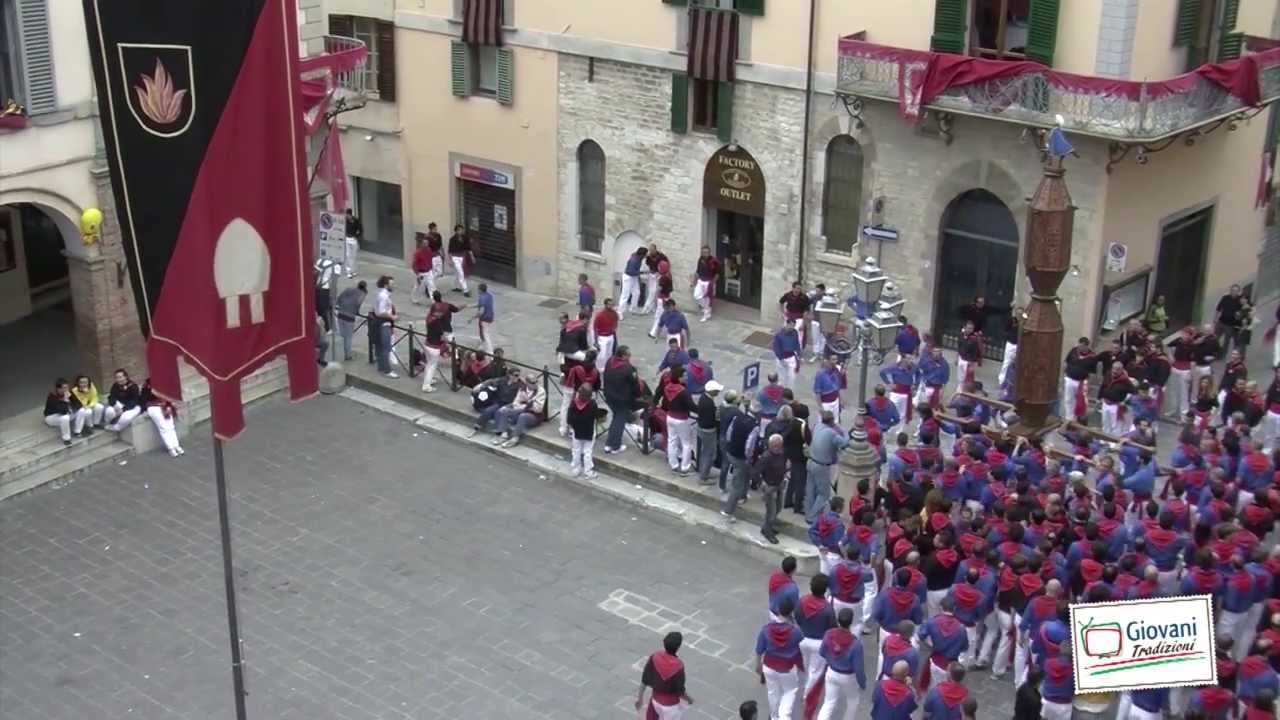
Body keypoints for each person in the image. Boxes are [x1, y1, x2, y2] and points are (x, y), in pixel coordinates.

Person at [814, 607, 867, 720]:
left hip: (831, 672)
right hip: (848, 676)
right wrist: (862, 683)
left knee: (829, 702)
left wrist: (832, 659)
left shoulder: (829, 634)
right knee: (852, 701)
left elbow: (822, 652)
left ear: (838, 620)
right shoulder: (855, 644)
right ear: (851, 622)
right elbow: (859, 668)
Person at [755, 597, 804, 720]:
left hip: (769, 667)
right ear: (791, 612)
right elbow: (800, 650)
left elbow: (759, 650)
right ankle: (784, 716)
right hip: (787, 669)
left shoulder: (766, 629)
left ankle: (774, 716)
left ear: (778, 611)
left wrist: (758, 665)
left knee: (773, 693)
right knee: (789, 692)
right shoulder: (796, 632)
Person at [635, 632, 692, 719]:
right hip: (671, 707)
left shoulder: (655, 656)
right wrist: (689, 699)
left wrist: (640, 698)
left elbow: (644, 680)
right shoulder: (679, 666)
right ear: (678, 647)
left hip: (655, 701)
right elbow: (680, 690)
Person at [721, 402, 761, 521]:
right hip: (741, 457)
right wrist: (748, 459)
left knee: (744, 476)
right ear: (758, 414)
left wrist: (730, 446)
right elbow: (749, 446)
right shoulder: (754, 426)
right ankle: (728, 511)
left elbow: (729, 433)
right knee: (737, 485)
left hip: (731, 452)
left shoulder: (737, 417)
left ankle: (743, 496)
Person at [807, 411, 848, 523]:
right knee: (824, 494)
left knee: (811, 489)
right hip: (821, 465)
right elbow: (844, 443)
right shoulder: (831, 433)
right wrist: (845, 431)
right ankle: (812, 517)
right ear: (831, 421)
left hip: (811, 461)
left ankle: (808, 512)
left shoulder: (817, 426)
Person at [603, 346, 643, 454]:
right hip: (622, 399)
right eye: (628, 355)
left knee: (616, 418)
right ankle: (615, 446)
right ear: (623, 356)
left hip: (609, 395)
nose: (630, 357)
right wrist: (639, 395)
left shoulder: (609, 361)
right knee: (620, 420)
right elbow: (635, 386)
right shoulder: (628, 369)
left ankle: (609, 444)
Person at [660, 366, 696, 475]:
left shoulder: (667, 388)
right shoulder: (683, 391)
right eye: (684, 376)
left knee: (672, 441)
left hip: (670, 417)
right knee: (686, 444)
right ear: (679, 378)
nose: (686, 377)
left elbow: (665, 402)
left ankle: (674, 464)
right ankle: (685, 468)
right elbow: (692, 406)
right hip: (681, 419)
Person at [492, 374, 546, 448]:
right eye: (533, 383)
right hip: (522, 410)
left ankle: (515, 438)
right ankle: (503, 434)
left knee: (522, 416)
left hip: (535, 415)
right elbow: (516, 402)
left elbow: (538, 409)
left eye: (536, 382)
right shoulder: (522, 389)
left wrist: (527, 405)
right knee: (504, 411)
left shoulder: (541, 391)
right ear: (527, 383)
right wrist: (525, 405)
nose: (535, 384)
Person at [754, 434, 789, 543]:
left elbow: (783, 465)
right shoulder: (766, 457)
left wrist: (785, 476)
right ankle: (768, 532)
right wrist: (761, 483)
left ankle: (766, 527)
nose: (778, 448)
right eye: (775, 446)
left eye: (779, 446)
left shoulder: (782, 453)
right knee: (771, 511)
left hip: (779, 484)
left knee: (778, 508)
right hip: (769, 487)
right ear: (770, 445)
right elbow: (756, 472)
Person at [566, 384, 604, 479]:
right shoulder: (592, 404)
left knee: (576, 450)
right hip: (589, 430)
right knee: (588, 451)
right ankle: (588, 471)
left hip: (577, 430)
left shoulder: (574, 403)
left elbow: (569, 417)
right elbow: (596, 415)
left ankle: (576, 468)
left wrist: (571, 426)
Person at [558, 350, 599, 437]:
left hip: (576, 393)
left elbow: (570, 381)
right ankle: (588, 431)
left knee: (567, 408)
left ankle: (565, 428)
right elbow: (597, 386)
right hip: (589, 395)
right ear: (594, 360)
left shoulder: (577, 368)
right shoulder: (595, 372)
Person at [141, 378, 184, 457]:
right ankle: (170, 448)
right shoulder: (147, 386)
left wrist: (169, 404)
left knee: (171, 426)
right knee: (163, 427)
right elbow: (145, 399)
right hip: (153, 407)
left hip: (165, 405)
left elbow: (169, 397)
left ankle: (176, 445)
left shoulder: (163, 384)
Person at [1063, 337, 1097, 420]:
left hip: (1081, 382)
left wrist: (1089, 384)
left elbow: (1092, 373)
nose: (1079, 348)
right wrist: (1063, 375)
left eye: (1081, 346)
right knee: (1068, 399)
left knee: (1079, 401)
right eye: (1078, 345)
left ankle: (1077, 418)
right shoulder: (1074, 350)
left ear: (1086, 346)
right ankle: (1068, 417)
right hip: (1069, 378)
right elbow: (1065, 362)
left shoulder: (1092, 357)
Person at [695, 381, 723, 485]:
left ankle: (705, 472)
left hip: (702, 428)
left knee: (705, 452)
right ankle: (703, 477)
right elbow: (711, 419)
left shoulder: (703, 398)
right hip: (709, 431)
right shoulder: (709, 403)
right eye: (716, 391)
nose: (718, 392)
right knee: (709, 453)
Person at [371, 275, 398, 378]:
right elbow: (381, 312)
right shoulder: (384, 296)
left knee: (380, 346)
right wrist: (392, 316)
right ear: (386, 285)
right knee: (386, 347)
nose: (393, 286)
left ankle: (381, 366)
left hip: (378, 322)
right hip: (384, 323)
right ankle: (387, 370)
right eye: (392, 284)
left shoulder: (380, 294)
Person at [334, 280, 367, 362]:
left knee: (341, 335)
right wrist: (356, 312)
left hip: (340, 314)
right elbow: (358, 304)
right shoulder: (362, 294)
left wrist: (340, 306)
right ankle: (347, 355)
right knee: (348, 337)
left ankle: (339, 353)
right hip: (350, 317)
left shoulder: (349, 289)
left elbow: (339, 298)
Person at [44, 378, 83, 445]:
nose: (67, 389)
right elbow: (62, 411)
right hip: (52, 417)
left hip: (66, 413)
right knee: (65, 417)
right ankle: (66, 438)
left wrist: (72, 399)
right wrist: (65, 401)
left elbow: (79, 404)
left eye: (67, 387)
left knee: (82, 411)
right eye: (64, 388)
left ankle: (77, 431)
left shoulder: (69, 393)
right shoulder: (53, 396)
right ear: (58, 389)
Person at [914, 346, 950, 415]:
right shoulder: (926, 361)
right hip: (926, 385)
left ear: (941, 355)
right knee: (924, 405)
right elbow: (918, 370)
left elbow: (946, 378)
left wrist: (943, 390)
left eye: (938, 354)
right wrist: (918, 383)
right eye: (934, 353)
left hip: (937, 387)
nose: (935, 355)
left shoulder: (945, 365)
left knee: (934, 406)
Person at [1215, 284, 1246, 354]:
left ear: (1238, 292)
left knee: (1226, 341)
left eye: (1236, 291)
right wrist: (1215, 319)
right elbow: (1218, 309)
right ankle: (1214, 351)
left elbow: (1244, 311)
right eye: (1232, 290)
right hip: (1221, 322)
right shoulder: (1225, 298)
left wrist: (1240, 317)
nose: (1234, 292)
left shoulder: (1240, 301)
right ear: (1230, 290)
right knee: (1215, 338)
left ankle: (1222, 354)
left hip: (1230, 325)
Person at [619, 246, 648, 317]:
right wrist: (642, 273)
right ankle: (619, 312)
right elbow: (631, 271)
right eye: (645, 254)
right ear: (642, 254)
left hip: (634, 277)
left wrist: (638, 275)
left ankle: (633, 309)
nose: (646, 256)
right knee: (625, 295)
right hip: (628, 277)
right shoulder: (634, 260)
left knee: (636, 293)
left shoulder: (639, 258)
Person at [693, 245, 719, 322]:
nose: (705, 254)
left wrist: (713, 283)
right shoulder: (700, 259)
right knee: (696, 295)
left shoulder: (714, 261)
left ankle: (706, 315)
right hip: (700, 281)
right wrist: (694, 280)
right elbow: (698, 271)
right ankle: (706, 310)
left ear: (709, 252)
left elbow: (717, 273)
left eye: (707, 252)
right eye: (703, 252)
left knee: (707, 299)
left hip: (709, 282)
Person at [593, 298, 619, 373]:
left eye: (612, 304)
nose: (611, 306)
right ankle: (598, 368)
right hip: (602, 337)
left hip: (610, 336)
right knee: (602, 354)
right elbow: (595, 328)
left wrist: (613, 329)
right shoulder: (600, 315)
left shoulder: (614, 313)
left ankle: (607, 367)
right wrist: (596, 341)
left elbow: (616, 322)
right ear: (606, 305)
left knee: (609, 353)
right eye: (609, 304)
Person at [447, 223, 473, 296]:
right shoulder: (452, 239)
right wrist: (450, 260)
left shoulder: (465, 238)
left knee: (457, 273)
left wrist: (472, 256)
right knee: (461, 273)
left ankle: (455, 286)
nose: (461, 231)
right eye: (459, 230)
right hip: (455, 258)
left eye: (462, 230)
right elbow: (450, 251)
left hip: (463, 256)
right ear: (456, 231)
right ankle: (465, 290)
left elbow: (468, 248)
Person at [773, 323, 802, 389]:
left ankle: (789, 392)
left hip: (791, 358)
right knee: (781, 377)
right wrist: (781, 359)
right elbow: (776, 348)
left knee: (792, 377)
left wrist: (799, 355)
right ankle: (780, 392)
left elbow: (797, 344)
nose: (792, 328)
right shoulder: (779, 334)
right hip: (782, 358)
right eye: (790, 326)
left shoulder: (795, 332)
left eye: (793, 326)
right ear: (787, 324)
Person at [643, 243, 669, 314]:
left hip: (659, 275)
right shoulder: (649, 256)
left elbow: (666, 264)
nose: (651, 251)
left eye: (652, 250)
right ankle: (651, 307)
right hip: (652, 275)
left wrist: (663, 273)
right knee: (651, 291)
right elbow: (648, 264)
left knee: (655, 292)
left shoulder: (661, 256)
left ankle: (647, 307)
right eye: (650, 250)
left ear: (655, 249)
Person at [410, 233, 434, 304]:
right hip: (421, 273)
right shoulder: (418, 253)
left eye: (427, 243)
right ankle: (414, 298)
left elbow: (430, 259)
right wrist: (417, 274)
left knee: (431, 285)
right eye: (425, 243)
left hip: (429, 271)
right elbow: (414, 264)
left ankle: (433, 300)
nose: (426, 244)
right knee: (418, 286)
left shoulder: (429, 250)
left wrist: (431, 268)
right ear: (421, 244)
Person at [475, 283, 495, 357]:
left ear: (480, 290)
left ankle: (490, 353)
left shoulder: (482, 297)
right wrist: (468, 306)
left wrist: (473, 317)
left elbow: (481, 311)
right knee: (483, 332)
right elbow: (479, 304)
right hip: (490, 317)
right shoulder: (489, 296)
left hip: (485, 318)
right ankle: (483, 346)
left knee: (486, 334)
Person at [343, 207, 362, 278]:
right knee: (348, 255)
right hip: (347, 238)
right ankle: (348, 272)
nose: (347, 216)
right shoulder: (345, 220)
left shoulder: (356, 220)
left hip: (353, 239)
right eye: (346, 215)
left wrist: (356, 236)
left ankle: (353, 271)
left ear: (350, 215)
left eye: (348, 215)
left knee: (354, 256)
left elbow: (360, 230)